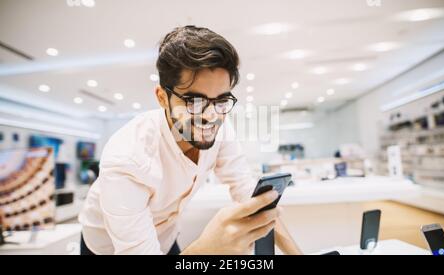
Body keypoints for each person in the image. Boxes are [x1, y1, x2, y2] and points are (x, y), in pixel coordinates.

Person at [78, 25, 302, 255]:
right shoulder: (127, 157)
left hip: (165, 238)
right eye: (195, 101)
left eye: (221, 100)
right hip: (105, 248)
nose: (211, 115)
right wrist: (209, 249)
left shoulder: (219, 127)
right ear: (162, 97)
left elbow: (249, 193)